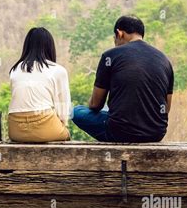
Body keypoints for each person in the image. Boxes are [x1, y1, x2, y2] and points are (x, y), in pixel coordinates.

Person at [72, 15, 174, 143]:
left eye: (115, 38)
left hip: (120, 132)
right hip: (156, 133)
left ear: (119, 33)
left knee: (76, 112)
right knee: (110, 112)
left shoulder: (110, 56)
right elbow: (166, 108)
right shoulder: (164, 60)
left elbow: (95, 105)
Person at [8, 27, 71, 143]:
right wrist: (63, 126)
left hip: (16, 131)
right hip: (44, 126)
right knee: (65, 134)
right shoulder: (58, 70)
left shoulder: (14, 70)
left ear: (26, 46)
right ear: (50, 47)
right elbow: (63, 110)